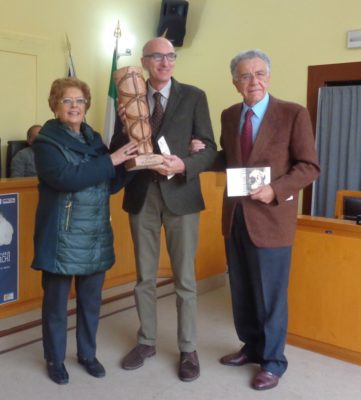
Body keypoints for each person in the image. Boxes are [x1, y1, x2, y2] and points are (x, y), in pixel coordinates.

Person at [110, 37, 217, 382]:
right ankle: (147, 341)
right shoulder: (129, 94)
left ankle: (188, 348)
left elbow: (209, 149)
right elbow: (115, 146)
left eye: (170, 56)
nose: (165, 62)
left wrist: (184, 162)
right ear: (144, 61)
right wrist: (127, 134)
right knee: (144, 277)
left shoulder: (195, 96)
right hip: (142, 195)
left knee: (185, 278)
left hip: (181, 196)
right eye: (157, 56)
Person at [216, 50, 320, 390]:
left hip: (272, 220)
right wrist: (198, 152)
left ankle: (274, 361)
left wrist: (275, 190)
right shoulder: (229, 116)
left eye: (259, 73)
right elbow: (227, 159)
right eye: (245, 76)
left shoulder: (292, 113)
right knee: (242, 291)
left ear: (269, 77)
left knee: (271, 296)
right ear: (235, 82)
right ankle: (251, 347)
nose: (253, 81)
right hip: (235, 218)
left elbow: (308, 167)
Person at [31, 77, 138, 385]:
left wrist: (132, 166)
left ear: (87, 106)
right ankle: (54, 358)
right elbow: (66, 178)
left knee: (91, 303)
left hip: (94, 236)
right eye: (67, 101)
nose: (74, 106)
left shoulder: (94, 140)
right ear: (55, 105)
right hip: (61, 238)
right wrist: (112, 160)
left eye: (79, 101)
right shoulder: (46, 143)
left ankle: (87, 354)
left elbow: (110, 184)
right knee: (56, 306)